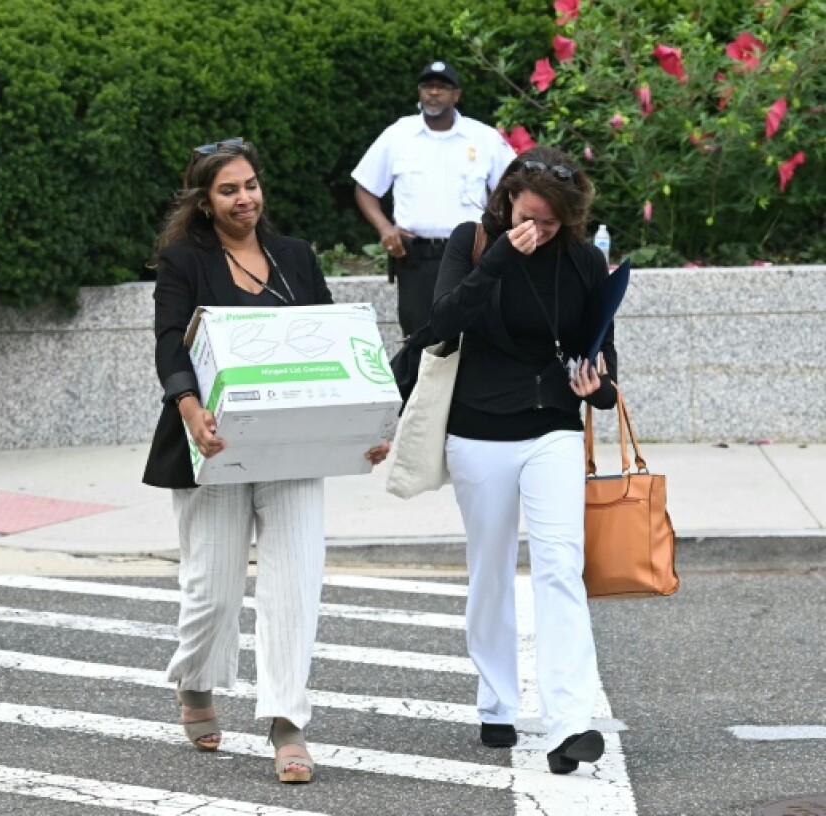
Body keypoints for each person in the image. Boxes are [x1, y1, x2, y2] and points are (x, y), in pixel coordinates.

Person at [142, 138, 390, 784]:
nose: (244, 198)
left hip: (296, 447)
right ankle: (196, 681)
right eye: (228, 190)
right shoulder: (183, 261)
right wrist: (191, 410)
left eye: (251, 185)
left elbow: (339, 346)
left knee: (293, 585)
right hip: (215, 444)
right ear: (203, 201)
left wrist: (366, 421)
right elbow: (170, 343)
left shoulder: (295, 258)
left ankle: (286, 721)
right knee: (213, 590)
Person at [430, 145, 616, 775]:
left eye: (551, 221)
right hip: (478, 431)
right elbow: (443, 320)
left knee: (561, 564)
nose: (537, 229)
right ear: (507, 198)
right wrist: (504, 255)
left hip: (552, 430)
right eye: (527, 215)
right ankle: (496, 702)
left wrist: (601, 387)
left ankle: (571, 723)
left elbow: (602, 360)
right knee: (491, 569)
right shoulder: (473, 243)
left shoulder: (585, 262)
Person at [352, 61, 514, 337]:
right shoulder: (398, 135)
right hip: (417, 257)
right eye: (428, 86)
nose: (434, 93)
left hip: (470, 254)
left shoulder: (483, 137)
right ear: (419, 92)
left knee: (474, 335)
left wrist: (498, 233)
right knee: (419, 338)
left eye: (442, 87)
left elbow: (513, 187)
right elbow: (364, 187)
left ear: (456, 95)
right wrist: (384, 228)